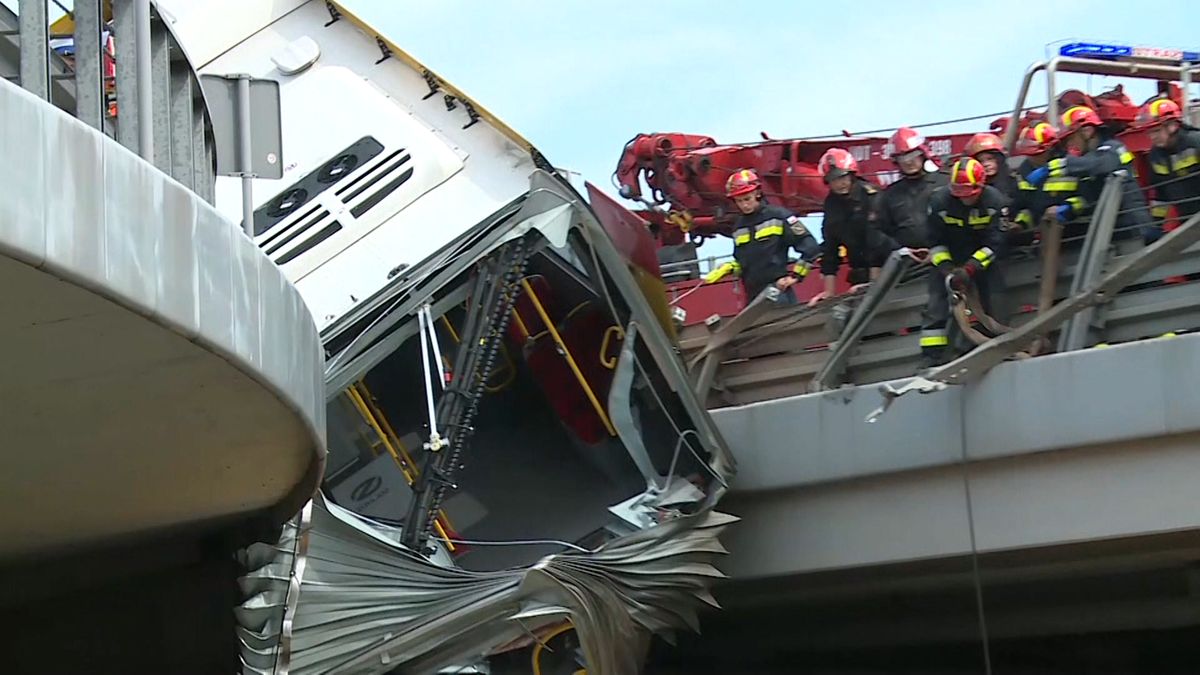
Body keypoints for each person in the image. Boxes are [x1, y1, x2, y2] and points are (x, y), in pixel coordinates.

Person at [920, 157, 1009, 368]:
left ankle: (987, 348)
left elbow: (995, 244)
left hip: (982, 261)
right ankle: (932, 358)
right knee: (935, 305)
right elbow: (935, 241)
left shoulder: (994, 202)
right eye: (958, 192)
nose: (964, 199)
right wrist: (947, 270)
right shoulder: (939, 202)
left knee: (994, 301)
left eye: (968, 193)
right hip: (949, 259)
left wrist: (970, 268)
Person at [1026, 105, 1161, 243]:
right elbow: (1089, 198)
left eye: (1072, 138)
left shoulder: (1114, 148)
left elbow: (1100, 164)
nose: (1070, 145)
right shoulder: (1088, 159)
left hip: (1134, 231)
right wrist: (1068, 208)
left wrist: (1053, 167)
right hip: (1111, 234)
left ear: (1087, 131)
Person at [703, 168, 821, 304]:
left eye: (747, 199)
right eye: (739, 201)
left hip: (778, 293)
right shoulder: (738, 227)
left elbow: (811, 247)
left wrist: (795, 276)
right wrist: (729, 267)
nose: (744, 205)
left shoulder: (779, 216)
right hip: (752, 297)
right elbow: (743, 262)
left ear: (758, 193)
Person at [807, 148, 883, 306]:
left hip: (887, 272)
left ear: (851, 174)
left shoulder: (871, 196)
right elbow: (830, 248)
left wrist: (876, 282)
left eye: (842, 177)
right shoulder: (831, 204)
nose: (839, 183)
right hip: (859, 276)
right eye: (833, 180)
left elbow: (878, 240)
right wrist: (829, 292)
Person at [874, 126, 949, 252]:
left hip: (945, 258)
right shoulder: (890, 194)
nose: (908, 162)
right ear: (896, 161)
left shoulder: (946, 182)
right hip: (907, 261)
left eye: (912, 155)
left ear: (922, 154)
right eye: (902, 158)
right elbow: (880, 231)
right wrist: (900, 250)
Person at [1138, 98, 1200, 223]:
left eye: (1156, 131)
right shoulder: (1155, 156)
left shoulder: (1196, 142)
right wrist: (1157, 223)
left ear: (1173, 126)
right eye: (1149, 132)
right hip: (1188, 221)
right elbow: (1160, 195)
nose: (1152, 137)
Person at [965, 132, 1020, 200]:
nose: (986, 164)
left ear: (1000, 159)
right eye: (981, 161)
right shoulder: (972, 187)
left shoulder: (1016, 181)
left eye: (990, 159)